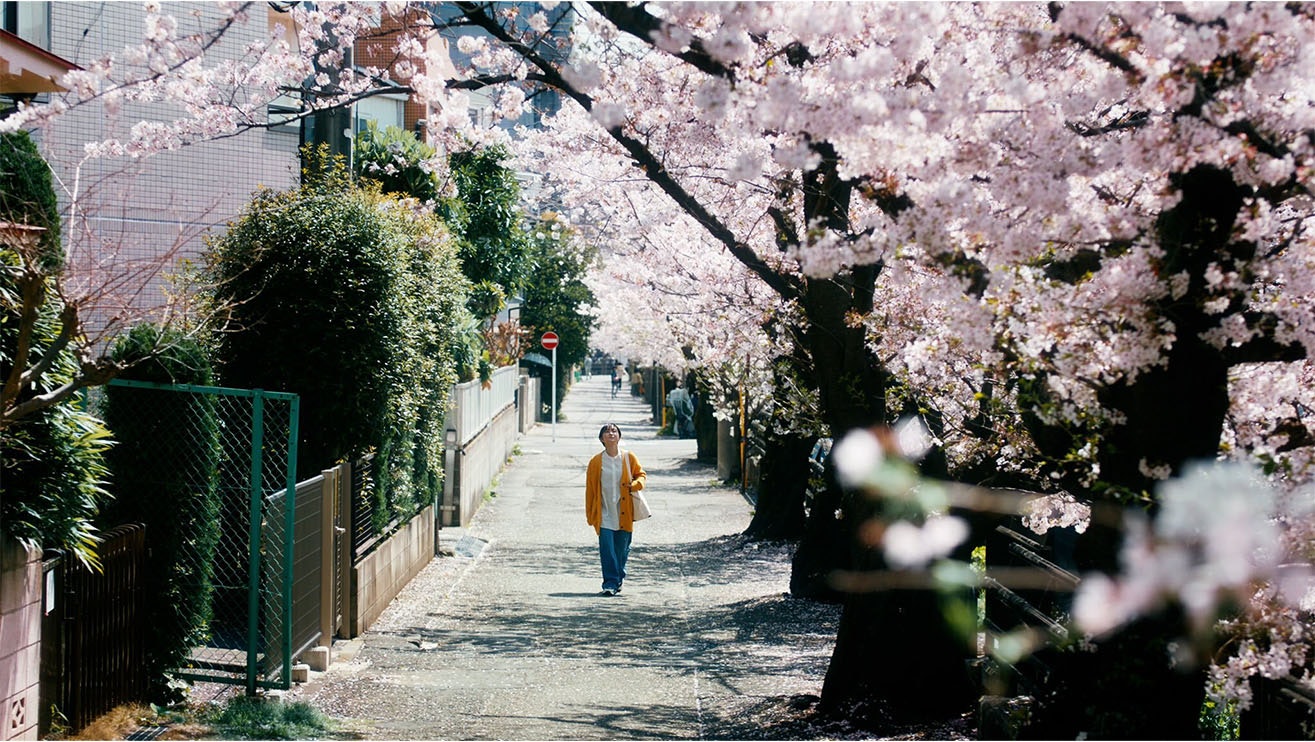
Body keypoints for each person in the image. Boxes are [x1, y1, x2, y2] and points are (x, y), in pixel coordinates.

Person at [584, 423, 647, 596]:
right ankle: (610, 582)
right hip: (604, 511)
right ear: (601, 439)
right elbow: (590, 489)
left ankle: (618, 576)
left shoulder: (628, 457)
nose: (611, 433)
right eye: (606, 431)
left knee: (622, 548)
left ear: (619, 436)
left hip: (623, 511)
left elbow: (641, 475)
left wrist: (635, 485)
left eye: (614, 431)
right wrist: (590, 513)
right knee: (607, 548)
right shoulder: (596, 462)